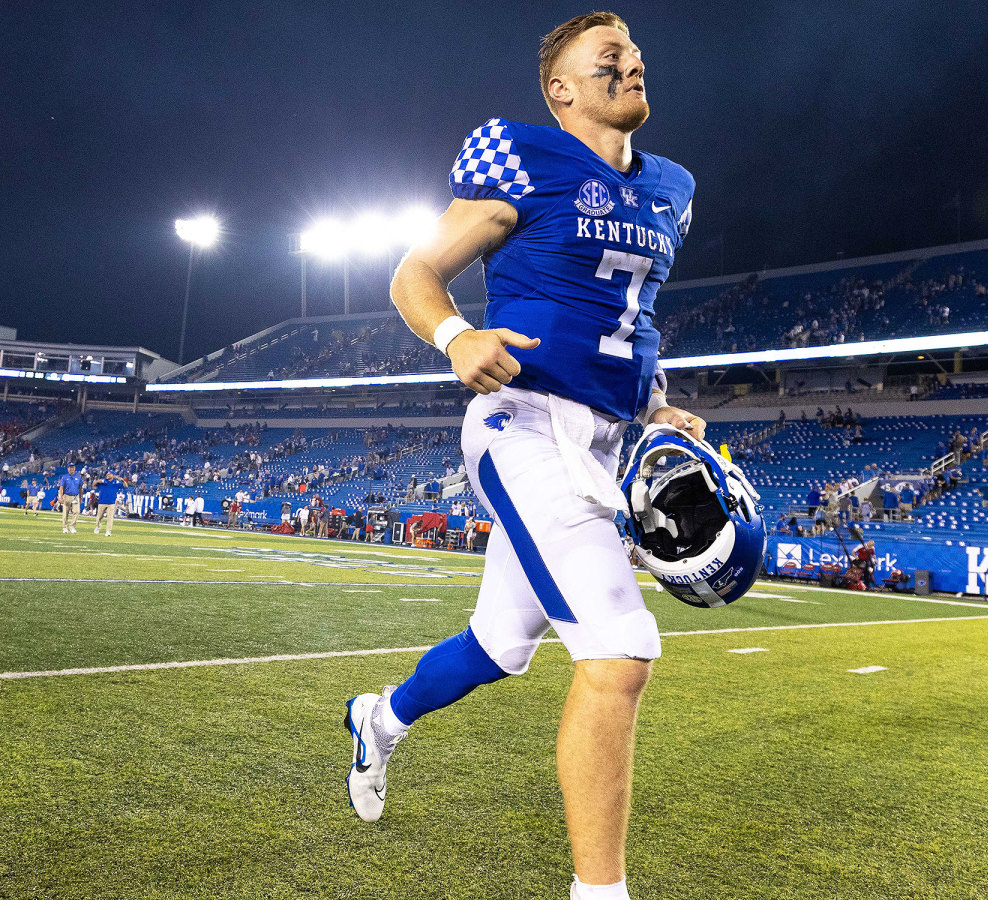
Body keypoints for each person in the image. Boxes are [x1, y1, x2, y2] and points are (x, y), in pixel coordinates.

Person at [343, 15, 703, 900]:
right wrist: (456, 333)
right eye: (606, 56)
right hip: (525, 424)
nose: (630, 62)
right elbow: (413, 273)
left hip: (611, 440)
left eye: (635, 52)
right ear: (561, 90)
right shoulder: (522, 158)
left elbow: (626, 319)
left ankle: (379, 718)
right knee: (619, 654)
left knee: (499, 644)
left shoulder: (672, 188)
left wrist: (659, 405)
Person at [93, 471, 122, 537]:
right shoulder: (103, 481)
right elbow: (94, 484)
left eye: (110, 474)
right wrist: (97, 481)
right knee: (99, 517)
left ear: (113, 475)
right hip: (102, 502)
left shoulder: (116, 482)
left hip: (111, 503)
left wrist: (122, 480)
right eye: (107, 474)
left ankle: (108, 531)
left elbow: (125, 486)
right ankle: (97, 527)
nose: (108, 475)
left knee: (110, 518)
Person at [58, 463, 83, 534]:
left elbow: (80, 488)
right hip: (67, 496)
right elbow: (61, 487)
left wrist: (81, 497)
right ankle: (65, 527)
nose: (71, 469)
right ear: (68, 469)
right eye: (70, 467)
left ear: (74, 468)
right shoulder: (64, 477)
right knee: (65, 512)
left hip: (75, 496)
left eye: (72, 467)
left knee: (77, 511)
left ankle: (72, 526)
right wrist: (61, 497)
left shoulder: (78, 477)